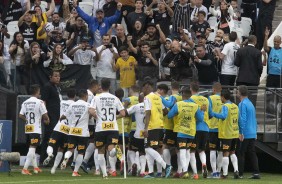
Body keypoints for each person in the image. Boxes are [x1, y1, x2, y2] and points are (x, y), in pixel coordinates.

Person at [91, 78, 126, 179]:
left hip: (101, 128)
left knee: (100, 151)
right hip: (113, 127)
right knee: (110, 149)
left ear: (101, 86)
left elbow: (91, 110)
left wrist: (97, 117)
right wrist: (115, 117)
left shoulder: (96, 97)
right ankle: (114, 151)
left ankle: (105, 174)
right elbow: (123, 113)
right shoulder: (115, 98)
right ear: (110, 86)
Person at [168, 87, 205, 179]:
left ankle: (185, 171)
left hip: (181, 130)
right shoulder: (195, 105)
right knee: (188, 151)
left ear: (182, 95)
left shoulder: (179, 104)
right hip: (191, 131)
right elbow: (200, 119)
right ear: (190, 96)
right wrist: (202, 111)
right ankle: (192, 172)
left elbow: (169, 115)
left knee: (182, 150)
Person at [60, 89, 97, 177]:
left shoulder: (72, 105)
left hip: (72, 131)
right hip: (82, 133)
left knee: (70, 149)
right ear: (85, 96)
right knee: (81, 152)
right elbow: (92, 114)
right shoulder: (88, 105)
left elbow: (64, 115)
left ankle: (66, 158)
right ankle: (75, 172)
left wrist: (61, 119)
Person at [143, 80, 172, 178]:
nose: (143, 90)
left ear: (148, 87)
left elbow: (148, 113)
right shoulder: (159, 97)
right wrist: (158, 114)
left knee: (147, 148)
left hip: (152, 126)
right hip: (160, 126)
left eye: (144, 88)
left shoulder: (147, 98)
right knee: (155, 149)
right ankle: (151, 172)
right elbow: (165, 111)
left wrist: (145, 128)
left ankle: (166, 166)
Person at [42, 88, 76, 174]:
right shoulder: (75, 105)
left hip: (59, 127)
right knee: (61, 149)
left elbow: (58, 99)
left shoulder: (62, 102)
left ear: (67, 95)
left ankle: (50, 156)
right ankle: (64, 160)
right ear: (75, 96)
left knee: (51, 144)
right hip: (68, 130)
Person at [19, 84, 50, 175]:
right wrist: (47, 120)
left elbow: (20, 115)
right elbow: (45, 115)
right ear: (38, 91)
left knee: (32, 147)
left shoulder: (25, 102)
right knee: (33, 148)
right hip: (36, 128)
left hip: (28, 128)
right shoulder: (40, 102)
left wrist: (27, 120)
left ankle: (36, 167)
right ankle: (25, 169)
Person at [211, 89, 239, 179]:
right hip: (235, 133)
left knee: (225, 153)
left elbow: (223, 116)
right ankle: (236, 170)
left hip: (227, 133)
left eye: (220, 97)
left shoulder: (225, 106)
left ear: (223, 97)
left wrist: (213, 113)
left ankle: (225, 174)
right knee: (233, 152)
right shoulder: (235, 106)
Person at [237, 85, 260, 179]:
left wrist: (241, 132)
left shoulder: (242, 104)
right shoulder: (250, 103)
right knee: (252, 152)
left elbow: (243, 119)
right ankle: (256, 172)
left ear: (240, 93)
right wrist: (255, 132)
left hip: (245, 132)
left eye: (237, 91)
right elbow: (254, 119)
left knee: (241, 152)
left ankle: (240, 173)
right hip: (252, 132)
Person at [235, 35, 263, 106]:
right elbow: (260, 67)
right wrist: (258, 76)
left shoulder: (240, 50)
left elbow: (236, 63)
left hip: (241, 79)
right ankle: (251, 116)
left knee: (240, 100)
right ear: (255, 42)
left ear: (248, 41)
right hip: (253, 80)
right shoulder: (257, 52)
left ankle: (240, 116)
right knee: (252, 102)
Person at [40, 70, 61, 164]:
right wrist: (45, 116)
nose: (57, 78)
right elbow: (43, 102)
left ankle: (50, 159)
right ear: (50, 77)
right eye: (55, 76)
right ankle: (43, 158)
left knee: (53, 138)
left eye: (59, 76)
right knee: (48, 138)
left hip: (56, 117)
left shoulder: (55, 87)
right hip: (50, 117)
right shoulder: (47, 87)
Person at [189, 81, 210, 179]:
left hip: (195, 128)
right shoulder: (206, 99)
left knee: (192, 151)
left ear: (191, 89)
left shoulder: (191, 99)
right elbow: (209, 113)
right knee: (202, 150)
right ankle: (204, 164)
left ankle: (195, 173)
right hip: (206, 128)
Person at [80, 80, 100, 174]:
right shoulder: (91, 95)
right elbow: (89, 109)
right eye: (97, 87)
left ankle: (77, 162)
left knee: (80, 141)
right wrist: (92, 116)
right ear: (94, 86)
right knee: (93, 141)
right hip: (89, 122)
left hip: (82, 122)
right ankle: (84, 161)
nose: (98, 89)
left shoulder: (85, 93)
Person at [126, 93, 146, 177]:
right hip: (147, 134)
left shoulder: (136, 106)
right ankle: (142, 171)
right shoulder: (150, 106)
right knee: (143, 152)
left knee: (131, 149)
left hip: (137, 133)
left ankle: (134, 163)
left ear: (139, 99)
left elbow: (126, 112)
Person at [208, 82, 223, 178]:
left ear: (213, 90)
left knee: (212, 150)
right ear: (220, 90)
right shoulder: (224, 99)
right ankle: (219, 171)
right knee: (221, 151)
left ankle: (214, 172)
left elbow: (209, 112)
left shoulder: (210, 98)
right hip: (222, 129)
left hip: (212, 128)